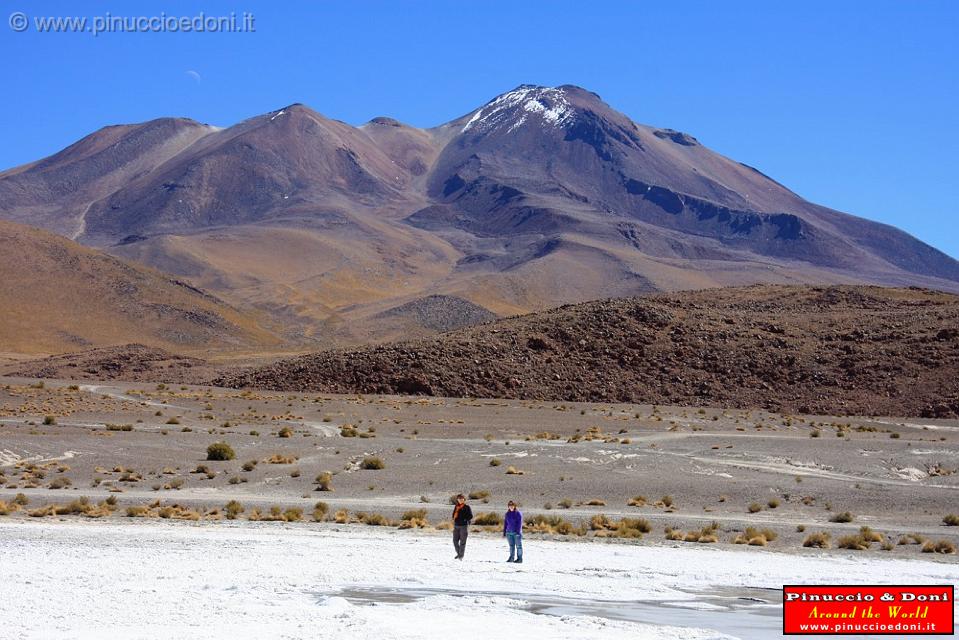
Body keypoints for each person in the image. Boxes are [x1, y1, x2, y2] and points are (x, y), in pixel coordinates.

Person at [451, 493, 473, 560]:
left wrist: (465, 519)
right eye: (459, 499)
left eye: (461, 499)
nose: (460, 500)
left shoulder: (467, 507)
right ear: (457, 500)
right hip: (456, 526)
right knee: (455, 541)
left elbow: (470, 516)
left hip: (463, 526)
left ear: (464, 499)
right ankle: (459, 554)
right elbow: (453, 514)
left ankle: (461, 556)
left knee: (462, 542)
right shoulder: (456, 506)